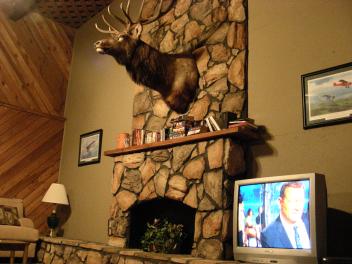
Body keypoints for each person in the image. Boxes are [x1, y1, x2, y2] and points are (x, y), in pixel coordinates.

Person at [261, 182, 310, 249]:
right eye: (292, 201)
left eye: (300, 201)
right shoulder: (268, 235)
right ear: (280, 202)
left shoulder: (312, 220)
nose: (297, 208)